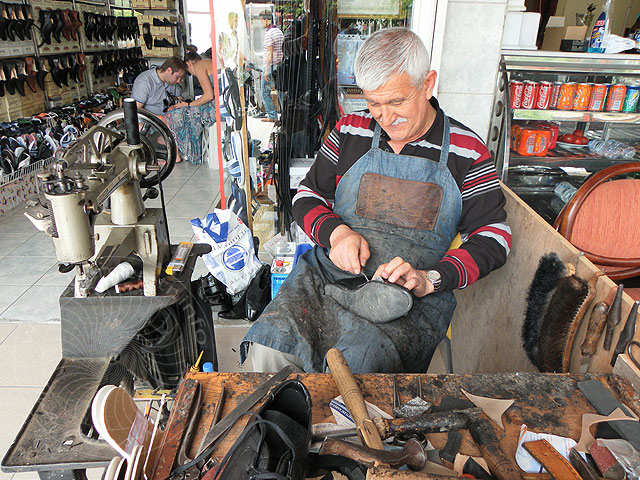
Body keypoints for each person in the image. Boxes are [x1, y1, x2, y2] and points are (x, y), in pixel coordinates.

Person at [240, 28, 512, 374]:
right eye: (373, 103)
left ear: (427, 84)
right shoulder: (351, 131)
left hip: (410, 298)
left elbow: (494, 238)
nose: (385, 117)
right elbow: (308, 196)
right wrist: (336, 234)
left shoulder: (466, 151)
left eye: (397, 101)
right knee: (268, 351)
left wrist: (432, 278)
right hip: (329, 280)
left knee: (359, 373)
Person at [163, 52, 217, 165]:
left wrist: (188, 105)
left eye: (188, 73)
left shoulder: (199, 66)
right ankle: (185, 151)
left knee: (176, 113)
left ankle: (188, 152)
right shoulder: (208, 62)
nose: (192, 74)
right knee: (182, 110)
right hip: (220, 103)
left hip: (215, 107)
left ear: (189, 63)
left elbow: (208, 95)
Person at [259, 9, 284, 122]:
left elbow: (270, 53)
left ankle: (272, 115)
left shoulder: (269, 34)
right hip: (279, 65)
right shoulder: (279, 31)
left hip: (271, 66)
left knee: (264, 92)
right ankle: (285, 114)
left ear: (266, 20)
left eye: (262, 20)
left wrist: (266, 70)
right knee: (281, 91)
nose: (261, 22)